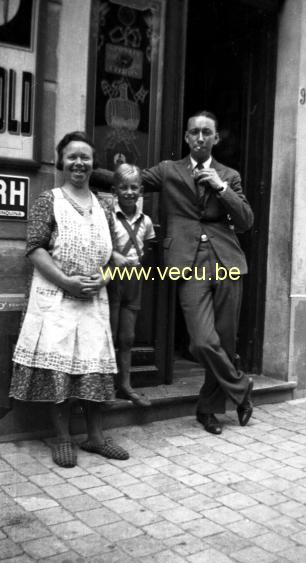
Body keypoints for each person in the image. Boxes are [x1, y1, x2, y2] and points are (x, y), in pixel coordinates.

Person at [93, 111, 254, 434]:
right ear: (186, 137)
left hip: (226, 264)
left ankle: (207, 410)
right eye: (194, 132)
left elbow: (246, 220)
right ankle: (240, 387)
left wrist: (221, 189)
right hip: (188, 263)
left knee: (222, 339)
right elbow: (126, 180)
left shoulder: (229, 175)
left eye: (206, 132)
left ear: (215, 138)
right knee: (202, 341)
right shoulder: (169, 171)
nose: (200, 137)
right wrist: (79, 172)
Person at [9, 131, 129, 467]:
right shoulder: (49, 200)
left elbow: (114, 257)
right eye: (73, 156)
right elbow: (34, 249)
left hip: (93, 300)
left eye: (85, 157)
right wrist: (67, 282)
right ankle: (62, 438)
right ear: (62, 161)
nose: (79, 162)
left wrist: (102, 279)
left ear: (93, 164)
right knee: (59, 369)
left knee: (93, 368)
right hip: (57, 299)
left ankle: (95, 437)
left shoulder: (105, 206)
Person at [109, 163, 155, 406]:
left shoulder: (146, 221)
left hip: (134, 280)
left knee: (127, 336)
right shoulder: (108, 216)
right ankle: (106, 388)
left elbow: (146, 248)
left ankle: (125, 385)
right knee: (110, 334)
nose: (129, 192)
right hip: (112, 279)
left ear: (141, 190)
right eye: (123, 187)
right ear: (115, 189)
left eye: (133, 187)